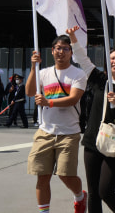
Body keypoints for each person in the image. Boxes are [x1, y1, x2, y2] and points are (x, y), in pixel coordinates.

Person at [67, 26, 115, 213]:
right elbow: (83, 60)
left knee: (105, 191)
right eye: (112, 58)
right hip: (93, 141)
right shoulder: (100, 80)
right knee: (93, 192)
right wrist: (72, 37)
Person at [25, 36, 88, 213]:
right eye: (58, 48)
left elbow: (74, 98)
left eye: (65, 48)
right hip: (45, 131)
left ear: (71, 52)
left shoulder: (78, 74)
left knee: (65, 175)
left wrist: (49, 103)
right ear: (52, 51)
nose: (61, 52)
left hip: (69, 133)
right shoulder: (43, 73)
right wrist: (33, 67)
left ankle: (79, 196)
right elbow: (30, 92)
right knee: (42, 177)